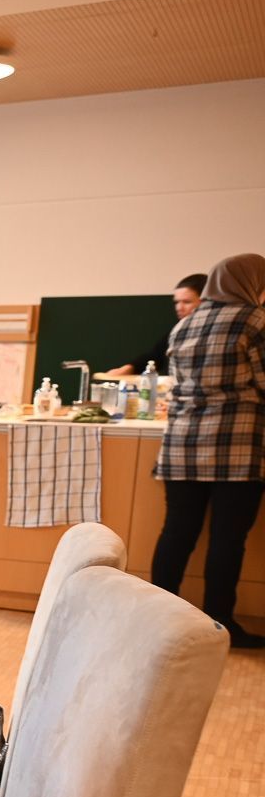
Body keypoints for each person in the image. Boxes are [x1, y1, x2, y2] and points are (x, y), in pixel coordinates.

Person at [150, 253, 265, 649]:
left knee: (177, 533)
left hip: (181, 445)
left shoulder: (185, 324)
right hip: (236, 446)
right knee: (227, 539)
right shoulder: (255, 320)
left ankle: (156, 619)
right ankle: (221, 624)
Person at [103, 273, 206, 378]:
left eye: (186, 302)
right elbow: (155, 356)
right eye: (176, 302)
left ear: (205, 303)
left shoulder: (213, 333)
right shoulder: (177, 330)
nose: (179, 308)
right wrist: (127, 368)